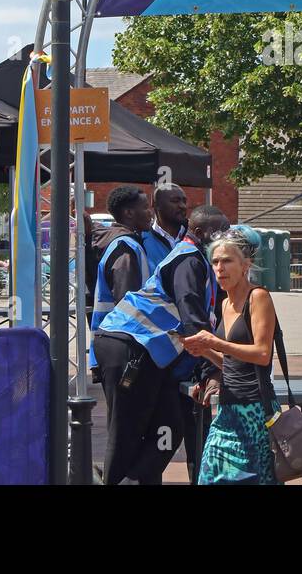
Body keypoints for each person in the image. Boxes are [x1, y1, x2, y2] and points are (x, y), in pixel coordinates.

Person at [93, 204, 230, 484]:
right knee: (127, 431)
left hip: (145, 352)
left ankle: (132, 480)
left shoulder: (195, 258)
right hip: (128, 347)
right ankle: (117, 480)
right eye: (221, 231)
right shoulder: (189, 260)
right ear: (201, 232)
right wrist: (216, 366)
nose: (226, 237)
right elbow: (193, 320)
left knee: (169, 426)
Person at [182, 228, 281, 484]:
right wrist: (206, 351)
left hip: (255, 410)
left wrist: (215, 342)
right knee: (208, 478)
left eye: (227, 261)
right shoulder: (225, 303)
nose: (219, 268)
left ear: (245, 265)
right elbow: (233, 364)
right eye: (215, 261)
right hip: (227, 408)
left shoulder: (258, 297)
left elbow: (261, 354)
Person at [88, 185, 155, 374]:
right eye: (145, 207)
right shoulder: (125, 249)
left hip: (116, 342)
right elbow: (127, 304)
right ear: (128, 213)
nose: (150, 213)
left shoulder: (127, 243)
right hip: (122, 347)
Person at [144, 183, 188, 265]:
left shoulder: (195, 237)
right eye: (175, 201)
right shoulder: (142, 239)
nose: (183, 206)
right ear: (156, 205)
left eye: (184, 201)